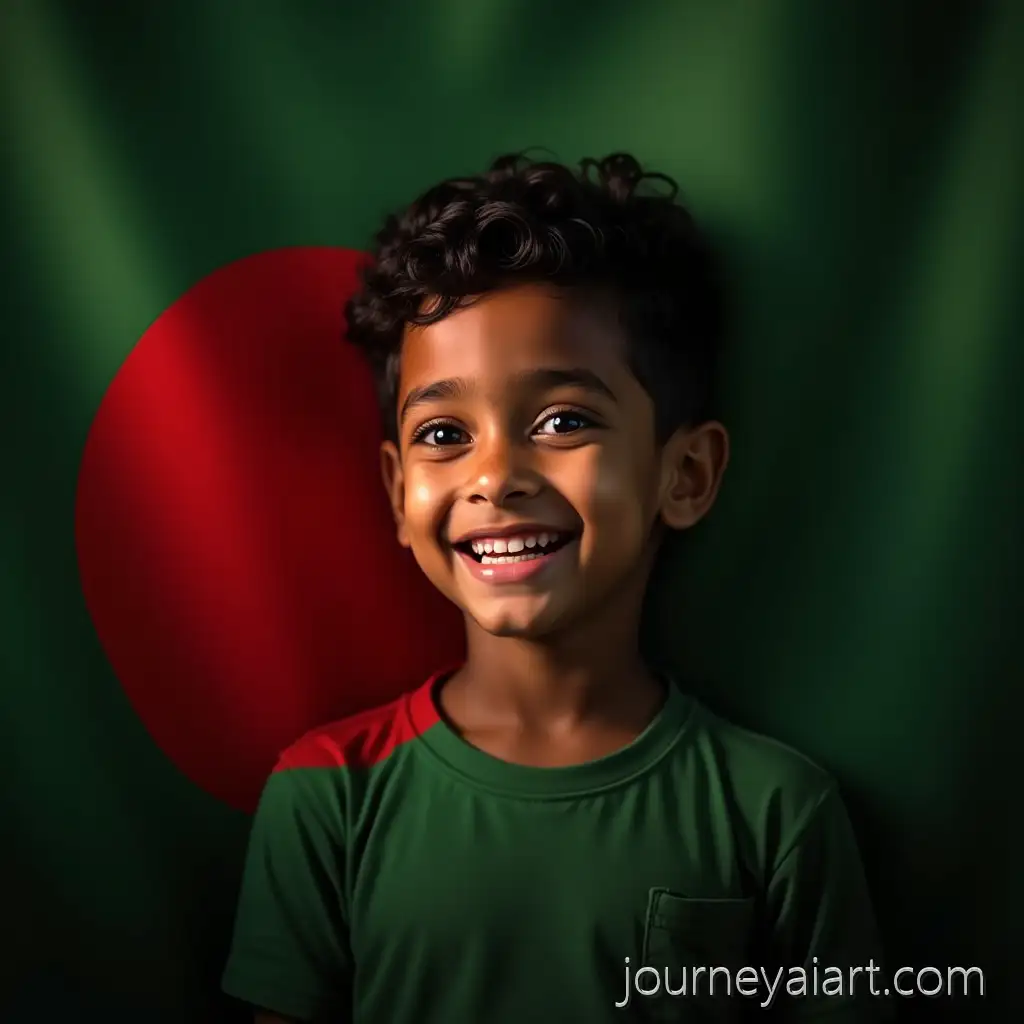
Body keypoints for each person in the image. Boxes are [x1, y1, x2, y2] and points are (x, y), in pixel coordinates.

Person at [222, 153, 891, 1022]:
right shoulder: (327, 795)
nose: (495, 477)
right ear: (397, 492)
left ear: (686, 474)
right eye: (444, 434)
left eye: (563, 420)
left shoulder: (776, 813)